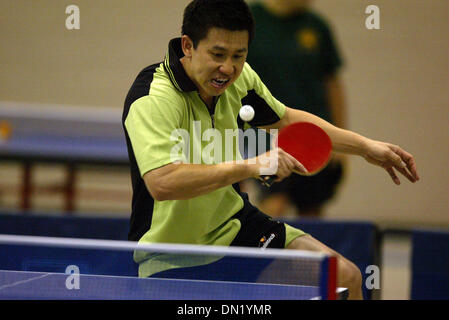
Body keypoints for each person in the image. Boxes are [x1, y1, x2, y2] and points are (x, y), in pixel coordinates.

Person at [122, 0, 419, 300]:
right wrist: (252, 166)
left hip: (236, 229)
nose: (228, 68)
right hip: (172, 255)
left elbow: (287, 119)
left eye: (239, 55)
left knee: (345, 277)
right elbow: (162, 182)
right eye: (218, 54)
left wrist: (365, 146)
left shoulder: (240, 81)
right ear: (187, 45)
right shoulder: (153, 97)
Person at [243, 0, 347, 217]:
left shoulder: (317, 26)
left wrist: (340, 141)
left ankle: (309, 251)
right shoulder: (248, 21)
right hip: (261, 132)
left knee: (311, 210)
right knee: (275, 202)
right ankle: (262, 247)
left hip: (310, 135)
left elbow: (332, 84)